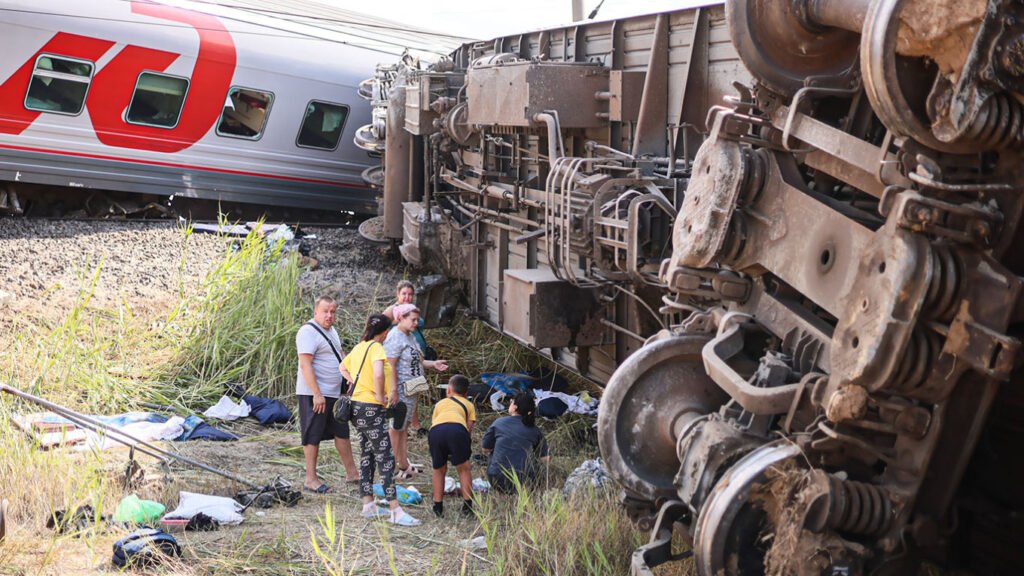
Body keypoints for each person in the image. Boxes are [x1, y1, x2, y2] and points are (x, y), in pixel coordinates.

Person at [340, 313, 421, 526]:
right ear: (384, 332)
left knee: (367, 453)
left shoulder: (359, 347)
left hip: (357, 408)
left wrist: (355, 385)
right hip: (371, 408)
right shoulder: (376, 348)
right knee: (385, 457)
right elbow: (378, 374)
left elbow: (342, 367)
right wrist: (377, 394)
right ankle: (395, 508)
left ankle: (368, 503)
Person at [295, 295, 358, 493]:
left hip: (334, 393)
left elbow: (339, 356)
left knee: (341, 431)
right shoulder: (308, 331)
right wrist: (316, 393)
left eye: (333, 312)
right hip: (314, 393)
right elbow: (305, 364)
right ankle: (310, 479)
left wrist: (349, 377)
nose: (329, 315)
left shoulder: (332, 331)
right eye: (325, 311)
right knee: (312, 434)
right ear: (316, 312)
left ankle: (352, 473)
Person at [384, 303, 448, 479]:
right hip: (402, 390)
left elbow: (418, 360)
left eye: (417, 320)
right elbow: (390, 365)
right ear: (401, 318)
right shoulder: (395, 337)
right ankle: (389, 467)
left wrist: (433, 364)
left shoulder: (410, 336)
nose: (416, 323)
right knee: (396, 428)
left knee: (403, 427)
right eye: (412, 320)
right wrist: (393, 390)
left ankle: (404, 463)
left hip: (413, 388)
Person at [382, 280, 432, 433]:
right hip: (402, 368)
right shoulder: (393, 312)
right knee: (399, 417)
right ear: (398, 294)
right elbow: (378, 327)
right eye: (404, 293)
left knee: (412, 398)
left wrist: (432, 362)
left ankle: (412, 424)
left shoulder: (412, 313)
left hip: (414, 363)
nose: (407, 297)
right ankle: (409, 426)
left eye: (410, 294)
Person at [428, 374, 477, 518]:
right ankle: (467, 507)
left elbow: (435, 423)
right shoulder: (468, 404)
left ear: (448, 390)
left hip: (436, 432)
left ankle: (438, 507)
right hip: (457, 430)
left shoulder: (440, 404)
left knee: (439, 469)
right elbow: (468, 428)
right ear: (466, 393)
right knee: (464, 469)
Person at [482, 392, 550, 493]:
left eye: (511, 403)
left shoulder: (499, 423)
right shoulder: (535, 430)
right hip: (526, 481)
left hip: (497, 479)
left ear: (515, 407)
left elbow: (485, 449)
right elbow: (545, 459)